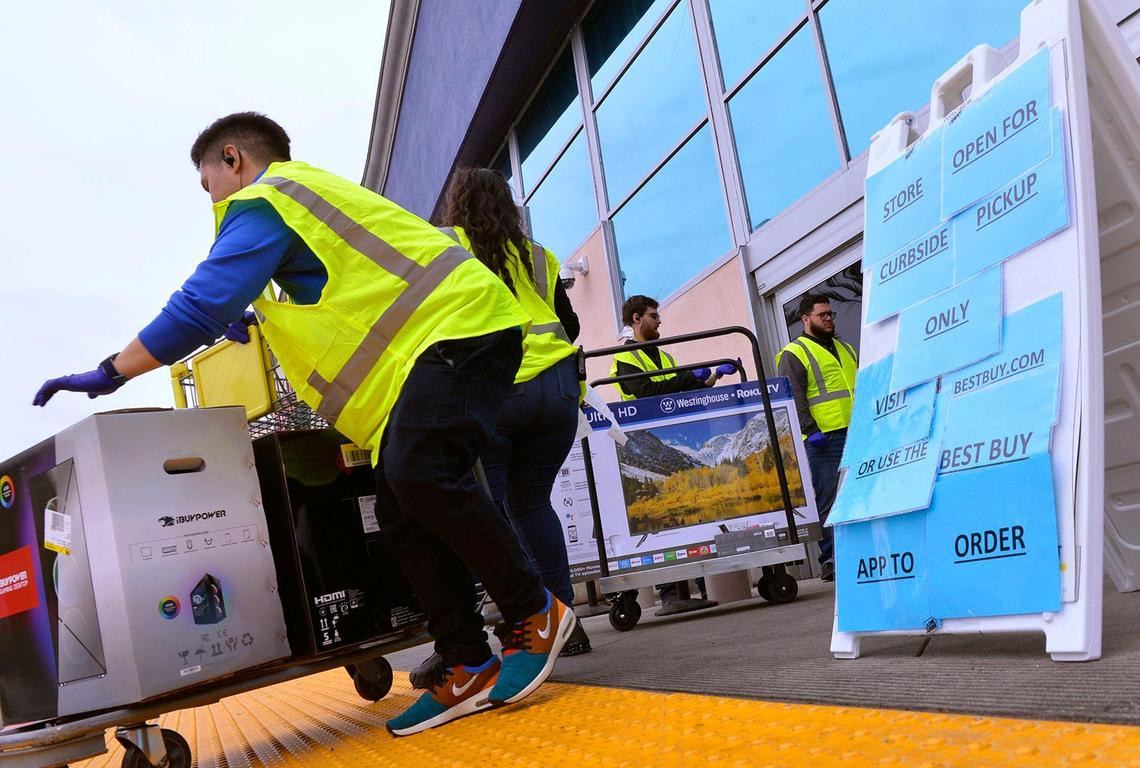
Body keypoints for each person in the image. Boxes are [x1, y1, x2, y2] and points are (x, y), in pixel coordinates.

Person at [31, 112, 576, 736]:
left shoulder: (268, 199)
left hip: (458, 331)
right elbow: (334, 292)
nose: (211, 198)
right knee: (401, 509)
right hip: (430, 354)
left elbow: (198, 304)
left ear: (232, 158)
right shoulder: (304, 205)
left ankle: (533, 611)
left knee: (422, 473)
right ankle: (466, 661)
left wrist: (112, 371)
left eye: (208, 183)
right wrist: (256, 314)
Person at [439, 167, 592, 656]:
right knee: (533, 505)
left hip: (499, 392)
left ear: (457, 204)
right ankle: (566, 620)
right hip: (558, 391)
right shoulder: (538, 256)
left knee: (492, 512)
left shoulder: (448, 247)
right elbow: (569, 325)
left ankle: (527, 619)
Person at [609, 295, 737, 614]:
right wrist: (691, 376)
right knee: (658, 523)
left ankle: (694, 584)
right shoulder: (624, 357)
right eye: (654, 315)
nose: (659, 320)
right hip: (644, 441)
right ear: (636, 319)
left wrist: (711, 377)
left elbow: (681, 390)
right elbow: (647, 392)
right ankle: (669, 592)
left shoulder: (664, 355)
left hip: (668, 439)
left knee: (686, 516)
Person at [775, 294, 858, 583]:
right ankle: (831, 559)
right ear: (806, 319)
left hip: (856, 431)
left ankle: (858, 552)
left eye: (831, 314)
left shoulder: (845, 348)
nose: (829, 319)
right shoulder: (794, 353)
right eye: (822, 315)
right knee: (829, 498)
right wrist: (810, 430)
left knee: (858, 492)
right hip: (825, 439)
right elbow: (793, 396)